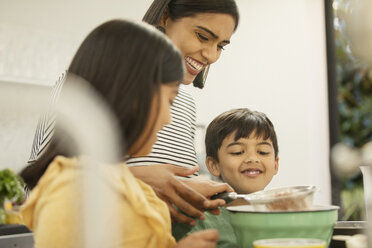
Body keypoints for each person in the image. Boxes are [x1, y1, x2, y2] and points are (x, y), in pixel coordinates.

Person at [20, 19, 222, 248]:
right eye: (167, 101)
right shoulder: (71, 190)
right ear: (129, 96)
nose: (168, 119)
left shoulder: (134, 190)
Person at [127, 0, 240, 225]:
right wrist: (138, 179)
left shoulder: (186, 105)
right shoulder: (94, 81)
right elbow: (45, 182)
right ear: (165, 17)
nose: (211, 55)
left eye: (220, 46)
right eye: (203, 36)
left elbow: (175, 196)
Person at [173, 108, 280, 248]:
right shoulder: (198, 217)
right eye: (237, 152)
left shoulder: (284, 215)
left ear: (275, 164)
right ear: (214, 165)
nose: (253, 159)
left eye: (262, 152)